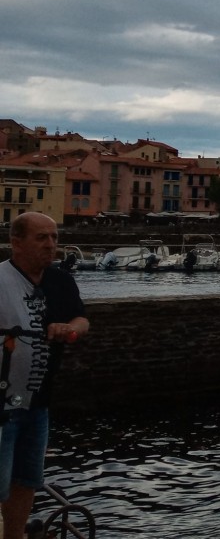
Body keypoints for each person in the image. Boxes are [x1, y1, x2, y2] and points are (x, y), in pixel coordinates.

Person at [0, 212, 88, 539]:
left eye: (54, 237)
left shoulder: (60, 281)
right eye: (42, 238)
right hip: (2, 405)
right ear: (16, 242)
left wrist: (71, 330)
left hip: (38, 404)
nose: (51, 245)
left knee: (26, 479)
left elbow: (81, 318)